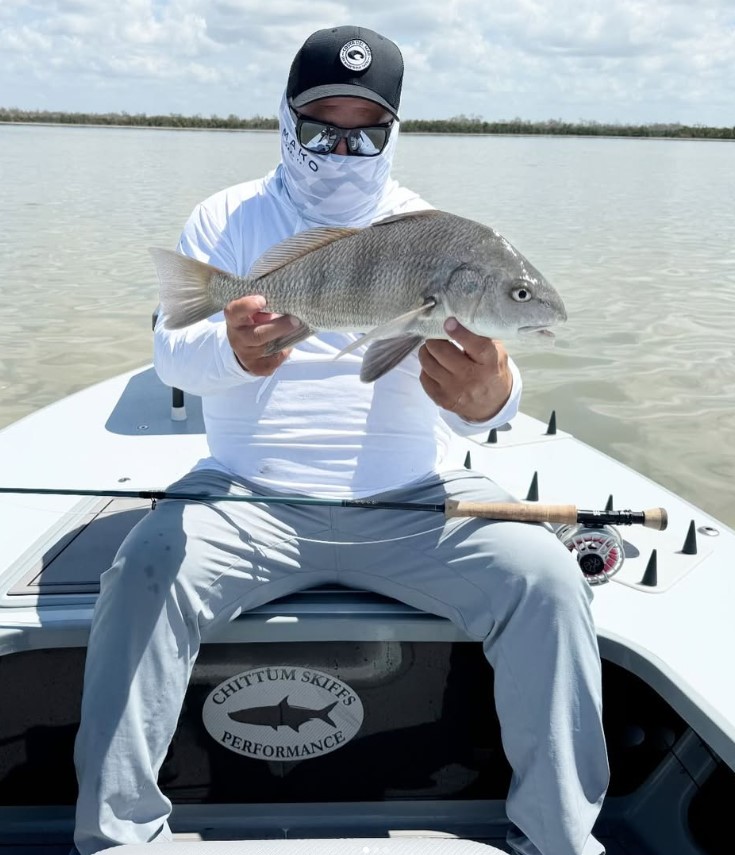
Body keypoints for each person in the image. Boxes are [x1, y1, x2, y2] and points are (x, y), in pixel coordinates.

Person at [72, 24, 609, 855]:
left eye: (367, 131)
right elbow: (173, 351)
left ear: (393, 132)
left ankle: (561, 838)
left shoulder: (435, 230)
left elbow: (484, 416)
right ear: (286, 120)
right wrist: (235, 349)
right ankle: (114, 838)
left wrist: (494, 395)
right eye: (324, 125)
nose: (344, 146)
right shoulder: (227, 216)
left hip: (410, 503)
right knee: (143, 571)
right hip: (250, 502)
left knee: (545, 578)